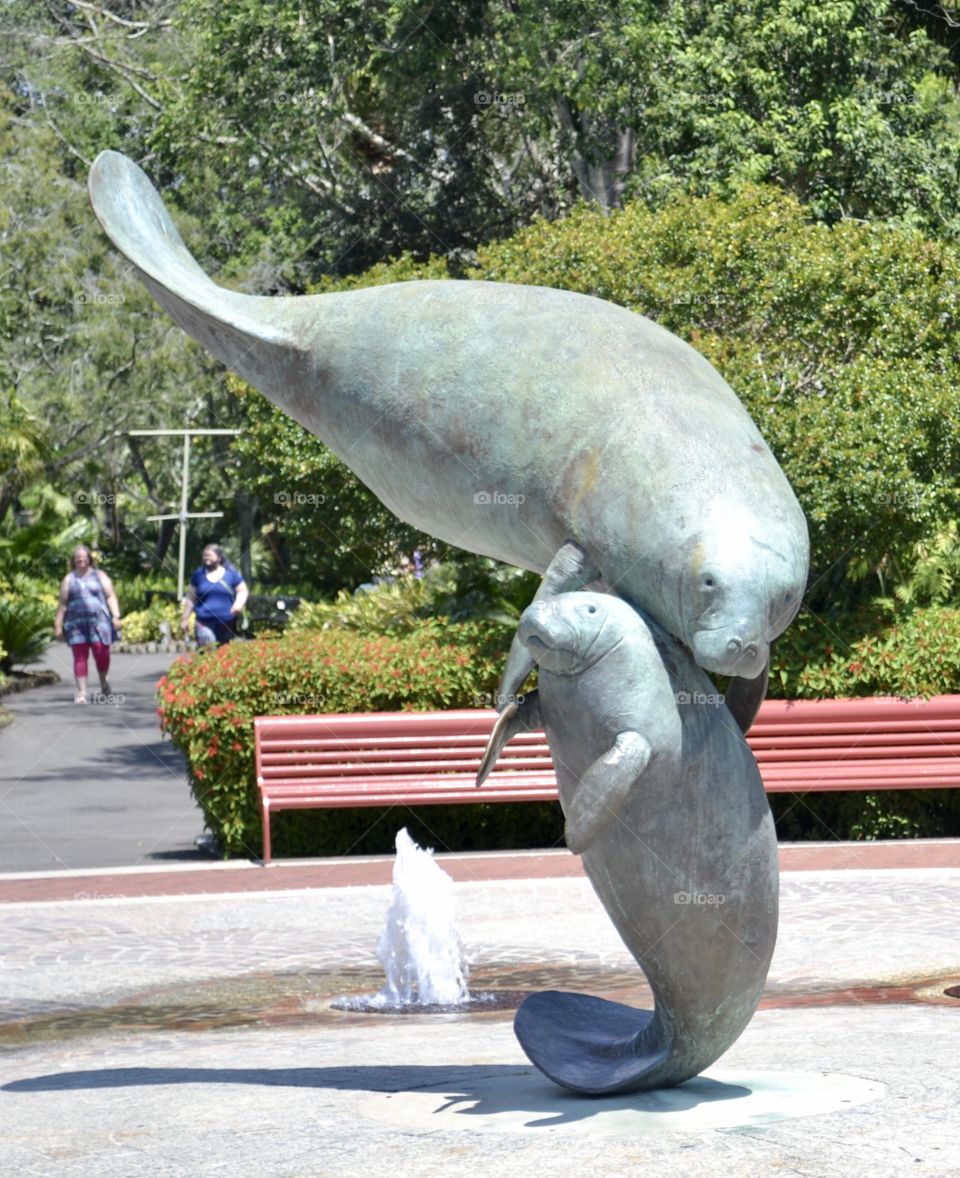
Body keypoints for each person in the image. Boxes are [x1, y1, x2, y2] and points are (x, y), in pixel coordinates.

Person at [54, 544, 122, 704]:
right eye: (78, 559)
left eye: (83, 558)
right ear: (74, 561)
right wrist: (58, 624)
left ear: (89, 559)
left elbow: (111, 596)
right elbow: (62, 603)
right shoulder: (69, 579)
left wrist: (116, 616)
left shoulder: (100, 575)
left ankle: (104, 683)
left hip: (99, 622)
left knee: (102, 653)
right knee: (80, 656)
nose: (81, 561)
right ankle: (82, 691)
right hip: (76, 624)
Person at [180, 544, 248, 647]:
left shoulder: (231, 574)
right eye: (205, 556)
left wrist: (238, 604)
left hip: (226, 622)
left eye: (210, 555)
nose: (207, 558)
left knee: (223, 655)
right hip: (203, 622)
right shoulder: (198, 575)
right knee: (208, 652)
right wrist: (185, 618)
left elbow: (243, 591)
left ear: (219, 557)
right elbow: (190, 598)